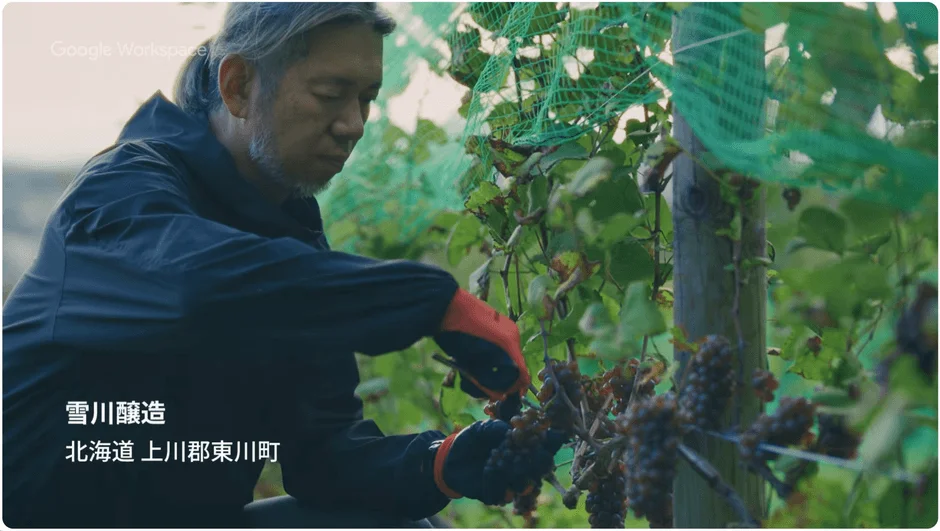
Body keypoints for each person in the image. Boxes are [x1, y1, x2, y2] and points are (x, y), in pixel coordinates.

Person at [2, 3, 565, 528]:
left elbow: (323, 456)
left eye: (366, 98)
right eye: (330, 93)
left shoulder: (289, 243)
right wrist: (433, 303)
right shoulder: (119, 196)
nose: (354, 124)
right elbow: (196, 288)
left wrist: (440, 463)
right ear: (239, 85)